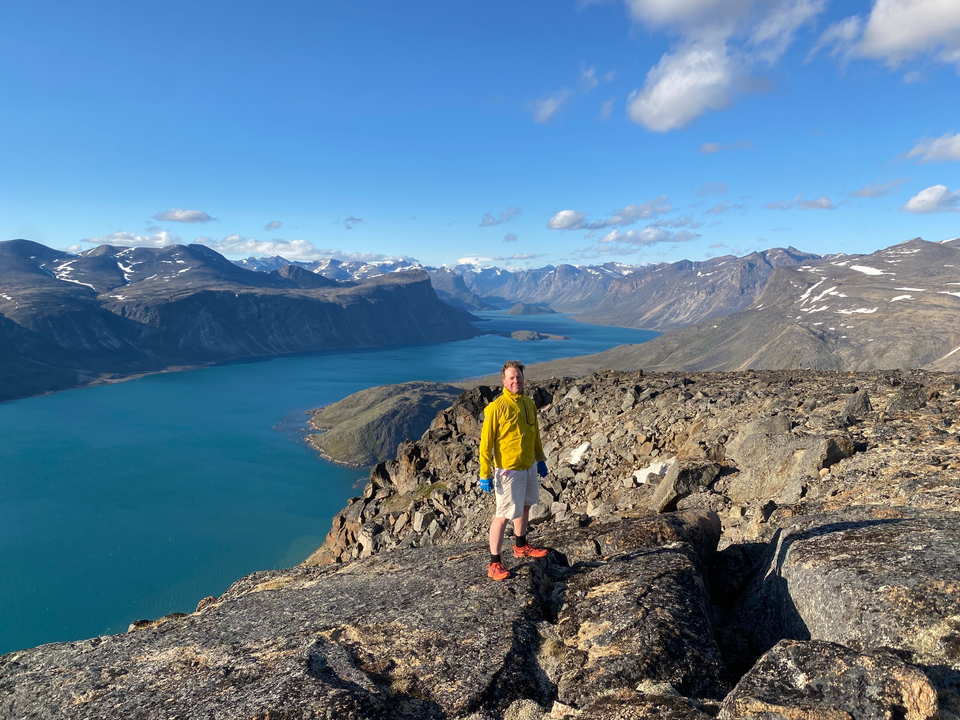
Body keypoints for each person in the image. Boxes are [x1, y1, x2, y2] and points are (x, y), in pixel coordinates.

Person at [478, 360, 550, 581]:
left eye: (518, 377)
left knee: (526, 505)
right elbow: (485, 444)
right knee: (502, 516)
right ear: (504, 382)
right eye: (511, 378)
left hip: (528, 466)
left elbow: (535, 435)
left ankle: (520, 546)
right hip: (508, 471)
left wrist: (540, 459)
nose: (516, 380)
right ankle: (494, 563)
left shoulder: (529, 403)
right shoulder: (496, 408)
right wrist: (485, 474)